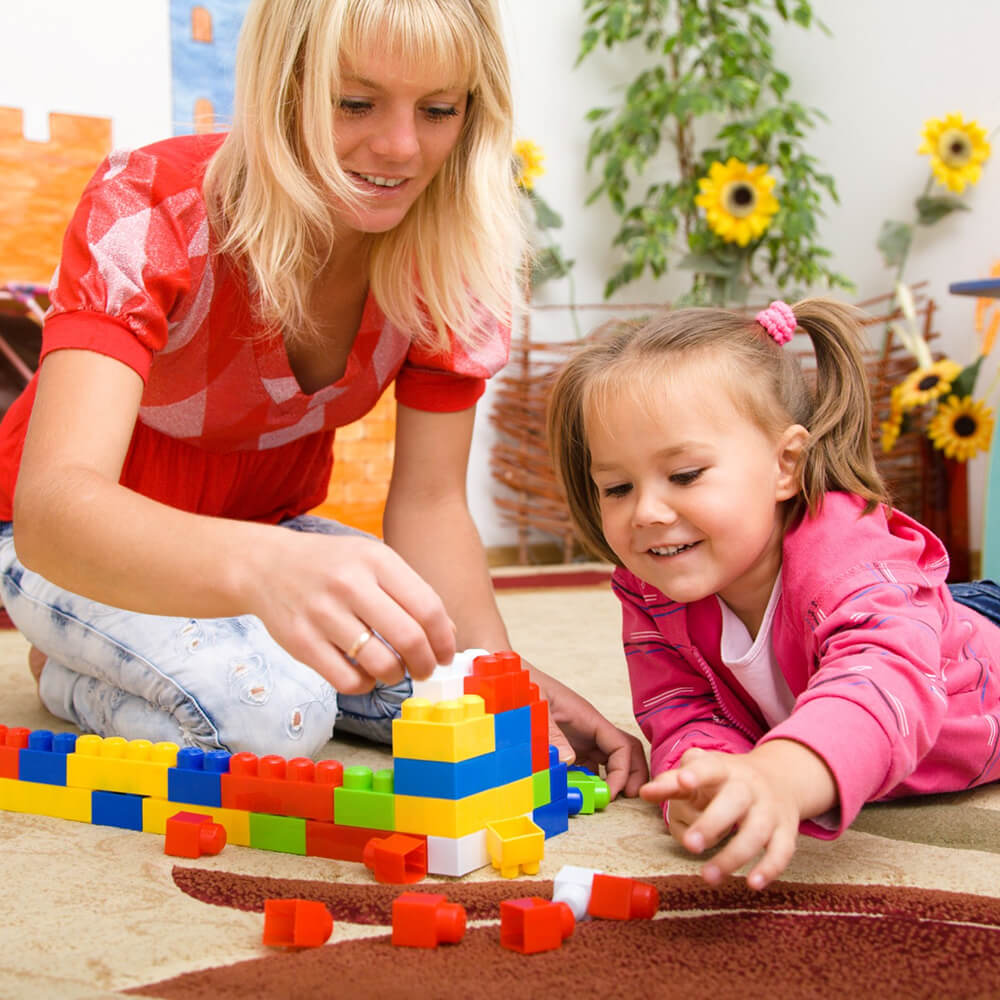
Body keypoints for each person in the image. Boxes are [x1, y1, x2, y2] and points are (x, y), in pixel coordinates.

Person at [0, 0, 646, 799]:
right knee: (279, 718)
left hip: (270, 535)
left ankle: (167, 651)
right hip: (78, 552)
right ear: (283, 88)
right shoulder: (152, 206)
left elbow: (432, 502)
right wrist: (267, 568)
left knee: (448, 700)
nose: (401, 146)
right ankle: (65, 669)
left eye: (438, 110)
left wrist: (499, 679)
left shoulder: (456, 255)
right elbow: (54, 511)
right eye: (355, 103)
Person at [547, 296, 1000, 887]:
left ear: (785, 463)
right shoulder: (651, 588)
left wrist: (783, 774)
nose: (647, 512)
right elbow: (681, 709)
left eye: (684, 475)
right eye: (617, 488)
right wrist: (703, 777)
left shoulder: (849, 557)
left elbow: (881, 682)